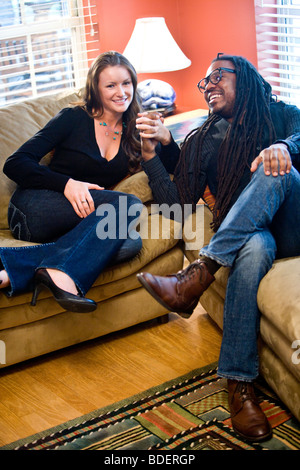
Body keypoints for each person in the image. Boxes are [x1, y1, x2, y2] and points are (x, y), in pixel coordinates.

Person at [135, 53, 300, 442]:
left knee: (275, 167)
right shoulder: (205, 139)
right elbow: (177, 203)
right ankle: (239, 387)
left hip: (293, 221)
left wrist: (283, 147)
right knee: (254, 248)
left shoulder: (282, 113)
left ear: (243, 77)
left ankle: (198, 275)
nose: (208, 85)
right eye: (203, 82)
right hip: (254, 235)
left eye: (217, 77)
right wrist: (152, 155)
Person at [0, 51, 147, 313]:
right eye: (110, 85)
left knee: (130, 243)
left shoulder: (133, 131)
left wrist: (167, 141)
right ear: (96, 89)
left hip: (75, 220)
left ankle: (22, 268)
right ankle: (61, 277)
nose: (121, 92)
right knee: (129, 205)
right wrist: (67, 184)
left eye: (126, 83)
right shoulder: (73, 118)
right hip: (33, 208)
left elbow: (171, 167)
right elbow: (15, 163)